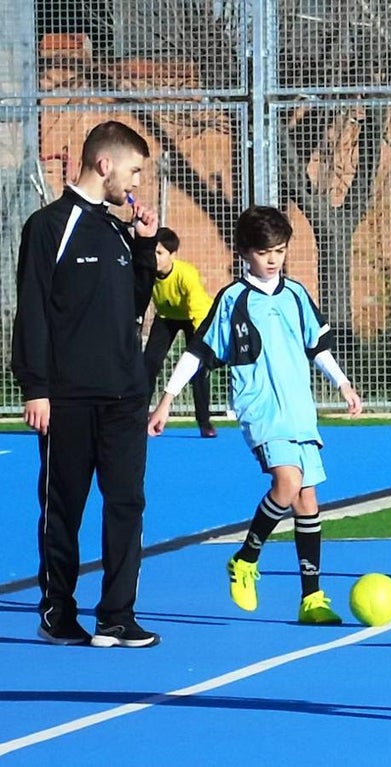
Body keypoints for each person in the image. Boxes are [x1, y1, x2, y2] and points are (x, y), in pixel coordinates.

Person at [147, 205, 362, 624]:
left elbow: (317, 346)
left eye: (279, 250)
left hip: (300, 410)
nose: (272, 259)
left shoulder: (297, 294)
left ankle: (311, 598)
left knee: (307, 501)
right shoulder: (233, 299)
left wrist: (343, 383)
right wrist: (167, 398)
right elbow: (199, 351)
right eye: (264, 251)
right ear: (245, 251)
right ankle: (246, 559)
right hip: (261, 409)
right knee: (288, 481)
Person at [10, 120, 162, 647]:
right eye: (134, 170)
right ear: (105, 164)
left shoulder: (119, 229)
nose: (137, 183)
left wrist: (146, 251)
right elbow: (31, 310)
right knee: (63, 507)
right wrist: (35, 386)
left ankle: (116, 616)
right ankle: (57, 612)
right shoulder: (49, 226)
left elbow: (131, 308)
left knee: (126, 503)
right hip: (68, 397)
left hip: (124, 396)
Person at [144, 226, 217, 437]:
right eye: (152, 252)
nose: (154, 258)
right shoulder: (146, 272)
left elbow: (197, 312)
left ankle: (205, 423)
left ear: (172, 255)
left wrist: (200, 346)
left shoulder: (186, 274)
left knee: (198, 370)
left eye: (159, 253)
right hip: (166, 317)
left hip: (195, 318)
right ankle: (138, 418)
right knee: (148, 365)